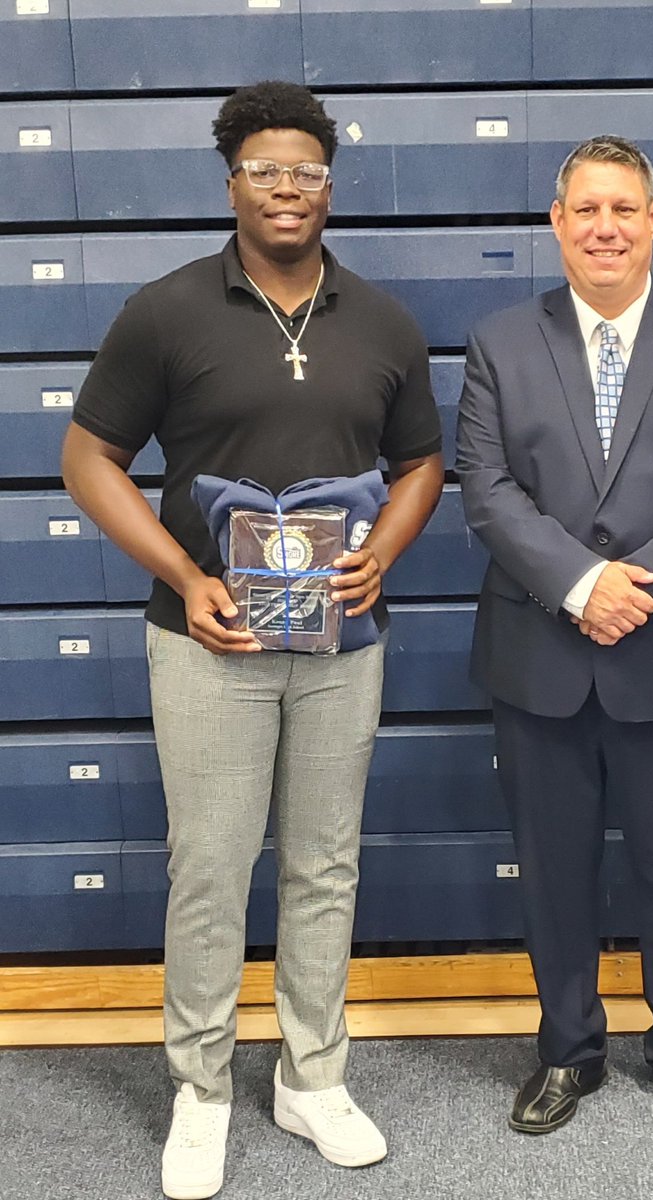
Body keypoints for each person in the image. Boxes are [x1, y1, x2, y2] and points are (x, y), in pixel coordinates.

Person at [61, 81, 443, 1200]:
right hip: (206, 643)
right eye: (265, 170)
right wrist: (185, 575)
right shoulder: (166, 311)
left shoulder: (382, 322)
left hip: (343, 641)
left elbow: (422, 462)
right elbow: (88, 458)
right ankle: (203, 1088)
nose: (287, 188)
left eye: (306, 171)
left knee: (324, 863)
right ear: (231, 183)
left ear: (332, 184)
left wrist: (384, 551)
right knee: (211, 869)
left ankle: (312, 1078)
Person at [456, 135, 653, 1135]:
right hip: (539, 655)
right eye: (585, 210)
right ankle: (566, 1050)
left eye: (623, 209)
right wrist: (578, 584)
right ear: (557, 223)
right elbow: (486, 489)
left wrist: (627, 587)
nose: (605, 228)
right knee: (552, 872)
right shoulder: (500, 342)